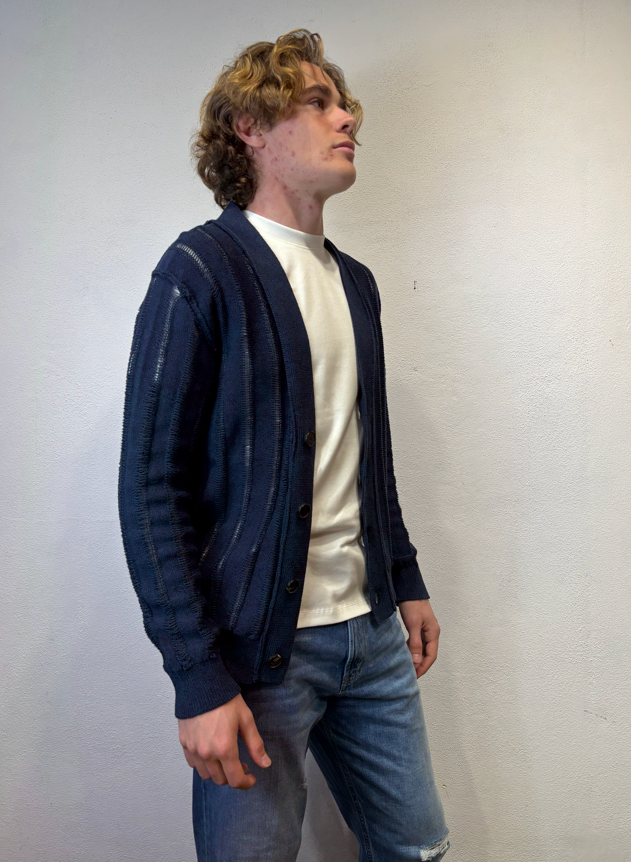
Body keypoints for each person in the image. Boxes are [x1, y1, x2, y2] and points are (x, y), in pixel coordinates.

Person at [118, 28, 450, 862]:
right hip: (257, 658)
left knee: (417, 849)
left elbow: (366, 457)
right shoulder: (200, 269)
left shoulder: (356, 283)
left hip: (372, 635)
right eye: (318, 102)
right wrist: (196, 675)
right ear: (250, 127)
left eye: (344, 105)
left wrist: (404, 577)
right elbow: (150, 489)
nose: (347, 119)